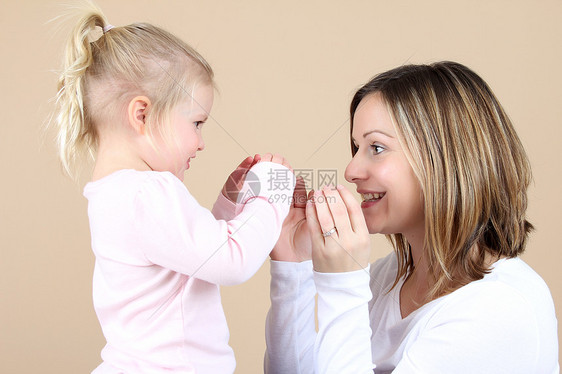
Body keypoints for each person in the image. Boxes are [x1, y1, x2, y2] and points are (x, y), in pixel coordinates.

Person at [265, 61, 559, 373]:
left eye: (376, 147)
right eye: (355, 147)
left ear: (444, 158)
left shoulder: (500, 308)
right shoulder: (387, 278)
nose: (351, 171)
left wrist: (342, 283)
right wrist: (292, 268)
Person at [53, 4, 295, 373]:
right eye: (197, 122)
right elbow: (230, 262)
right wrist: (273, 194)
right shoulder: (147, 193)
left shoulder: (114, 194)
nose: (201, 142)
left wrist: (229, 205)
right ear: (142, 114)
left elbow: (190, 259)